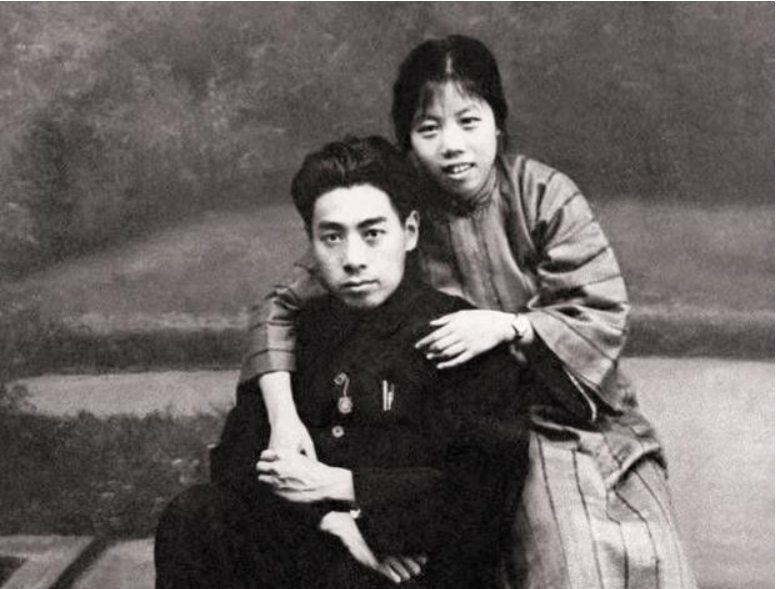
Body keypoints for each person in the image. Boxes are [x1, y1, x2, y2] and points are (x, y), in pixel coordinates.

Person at [241, 36, 697, 589]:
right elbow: (281, 306)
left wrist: (513, 326)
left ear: (497, 124)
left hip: (583, 408)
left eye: (469, 121)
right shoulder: (398, 216)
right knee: (565, 551)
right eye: (429, 129)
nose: (452, 145)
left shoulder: (543, 195)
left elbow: (598, 310)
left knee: (650, 547)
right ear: (409, 141)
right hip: (484, 425)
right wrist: (285, 418)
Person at [154, 136, 531, 589]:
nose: (353, 260)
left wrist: (355, 504)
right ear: (312, 242)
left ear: (410, 232)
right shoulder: (299, 333)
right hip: (312, 546)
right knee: (194, 516)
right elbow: (238, 463)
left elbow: (483, 495)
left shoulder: (460, 334)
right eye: (332, 237)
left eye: (373, 234)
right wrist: (329, 522)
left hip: (418, 566)